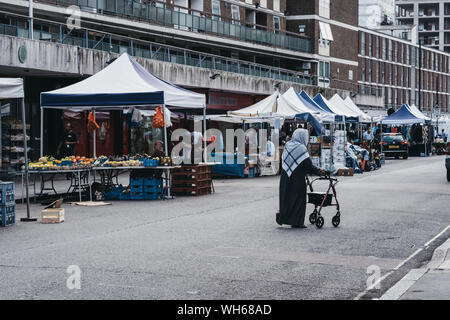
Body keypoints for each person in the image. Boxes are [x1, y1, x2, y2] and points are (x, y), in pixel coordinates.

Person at [276, 129, 324, 228]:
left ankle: (284, 218)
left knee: (286, 198)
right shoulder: (301, 148)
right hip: (297, 179)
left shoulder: (287, 145)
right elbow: (308, 165)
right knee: (298, 199)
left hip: (286, 177)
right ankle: (297, 222)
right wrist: (319, 171)